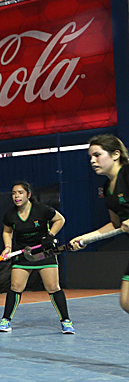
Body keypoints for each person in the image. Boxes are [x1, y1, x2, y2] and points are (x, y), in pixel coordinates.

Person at [0, 181, 72, 334]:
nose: (16, 196)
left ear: (28, 195)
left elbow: (60, 220)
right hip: (23, 254)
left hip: (44, 253)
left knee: (53, 287)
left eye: (20, 193)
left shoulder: (42, 210)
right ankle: (6, 320)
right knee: (15, 287)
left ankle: (66, 321)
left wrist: (50, 236)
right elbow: (7, 232)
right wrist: (8, 247)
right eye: (13, 193)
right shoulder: (10, 215)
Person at [69, 134, 129, 313]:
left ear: (116, 154)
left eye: (97, 155)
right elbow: (116, 224)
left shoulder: (127, 173)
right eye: (90, 157)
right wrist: (86, 238)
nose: (92, 160)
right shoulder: (107, 188)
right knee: (126, 302)